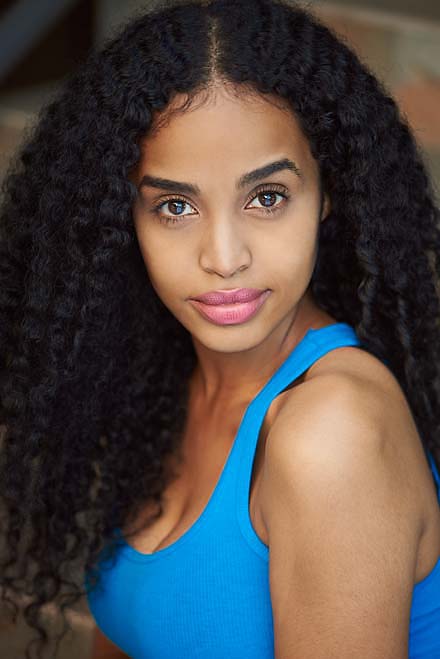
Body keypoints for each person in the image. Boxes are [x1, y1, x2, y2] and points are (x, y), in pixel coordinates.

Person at [0, 0, 439, 657]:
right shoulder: (165, 378)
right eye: (174, 205)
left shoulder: (332, 434)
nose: (224, 257)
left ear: (328, 197)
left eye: (267, 197)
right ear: (126, 218)